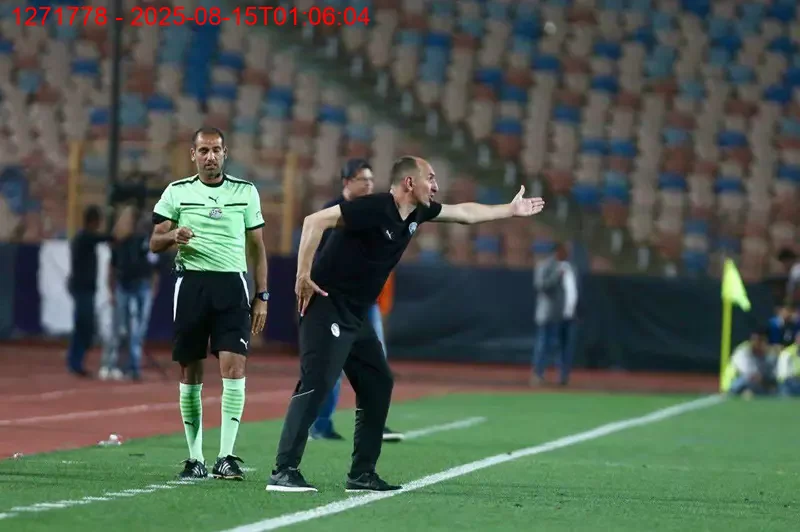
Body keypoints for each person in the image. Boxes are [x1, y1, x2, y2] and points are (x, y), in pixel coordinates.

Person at [266, 155, 545, 493]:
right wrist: (302, 274)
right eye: (431, 178)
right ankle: (283, 471)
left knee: (378, 382)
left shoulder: (417, 212)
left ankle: (362, 474)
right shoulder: (374, 208)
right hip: (326, 304)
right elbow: (314, 221)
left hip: (356, 313)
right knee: (318, 380)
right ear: (409, 183)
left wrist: (509, 210)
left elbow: (464, 213)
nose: (436, 186)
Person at [149, 127, 269, 481]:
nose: (210, 156)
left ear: (225, 153)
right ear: (193, 155)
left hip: (232, 285)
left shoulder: (245, 192)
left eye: (216, 150)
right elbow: (154, 241)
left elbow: (257, 247)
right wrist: (174, 235)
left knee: (235, 368)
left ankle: (226, 456)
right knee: (191, 372)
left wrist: (262, 296)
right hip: (192, 285)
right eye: (203, 150)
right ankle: (195, 458)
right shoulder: (176, 192)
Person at [309, 159, 404, 442]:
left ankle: (374, 423)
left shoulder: (376, 211)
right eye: (364, 180)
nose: (370, 185)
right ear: (347, 182)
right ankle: (320, 425)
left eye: (372, 180)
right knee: (331, 365)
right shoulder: (332, 211)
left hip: (365, 301)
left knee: (376, 364)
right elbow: (318, 255)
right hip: (334, 300)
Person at [101, 205, 160, 381]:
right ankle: (114, 364)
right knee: (121, 328)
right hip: (124, 286)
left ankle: (132, 366)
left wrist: (152, 288)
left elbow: (154, 267)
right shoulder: (118, 243)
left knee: (138, 330)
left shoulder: (145, 240)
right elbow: (112, 267)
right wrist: (111, 289)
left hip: (141, 286)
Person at [66, 205, 109, 377]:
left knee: (84, 325)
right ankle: (75, 361)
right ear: (93, 221)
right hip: (82, 288)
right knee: (84, 325)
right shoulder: (85, 238)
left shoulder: (83, 238)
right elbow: (104, 238)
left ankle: (76, 361)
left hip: (83, 288)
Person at [723, 328, 777, 396]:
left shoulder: (766, 354)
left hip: (753, 384)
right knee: (748, 380)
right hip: (733, 385)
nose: (759, 343)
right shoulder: (742, 351)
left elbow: (771, 374)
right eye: (756, 340)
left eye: (763, 341)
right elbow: (751, 376)